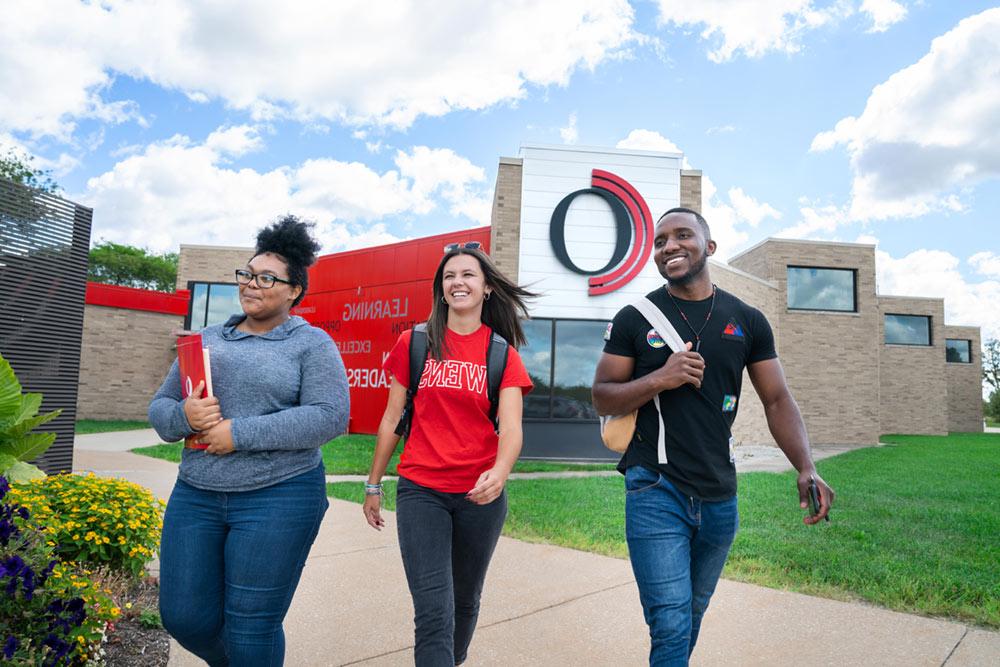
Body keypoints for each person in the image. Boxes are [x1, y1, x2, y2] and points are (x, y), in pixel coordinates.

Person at [592, 208, 834, 666]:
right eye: (661, 241)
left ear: (710, 247)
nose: (670, 246)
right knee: (670, 620)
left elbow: (778, 399)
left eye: (683, 235)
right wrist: (661, 378)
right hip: (653, 487)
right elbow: (603, 397)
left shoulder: (746, 319)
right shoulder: (634, 317)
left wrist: (806, 467)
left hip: (721, 496)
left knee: (691, 612)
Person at [149, 215, 349, 666]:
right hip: (197, 494)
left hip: (279, 496)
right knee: (184, 618)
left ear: (294, 290)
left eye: (266, 278)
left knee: (250, 626)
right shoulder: (203, 340)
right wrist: (184, 414)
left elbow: (331, 416)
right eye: (247, 274)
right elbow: (159, 412)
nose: (251, 285)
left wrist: (237, 434)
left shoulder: (311, 344)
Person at [363, 242, 535, 666]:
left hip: (481, 497)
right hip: (422, 491)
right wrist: (372, 484)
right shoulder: (414, 343)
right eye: (449, 277)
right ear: (441, 290)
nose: (458, 282)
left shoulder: (502, 354)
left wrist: (500, 472)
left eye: (468, 275)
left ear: (487, 287)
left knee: (465, 601)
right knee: (434, 610)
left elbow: (512, 429)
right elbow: (390, 420)